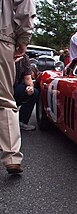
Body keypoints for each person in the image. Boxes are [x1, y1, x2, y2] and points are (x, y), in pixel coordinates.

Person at [0, 0, 36, 174]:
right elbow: (25, 8)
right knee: (5, 101)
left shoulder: (27, 63)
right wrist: (23, 39)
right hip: (3, 35)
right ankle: (12, 157)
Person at [14, 55, 39, 131]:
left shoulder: (24, 58)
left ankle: (22, 121)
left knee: (34, 93)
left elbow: (28, 78)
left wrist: (30, 87)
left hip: (14, 87)